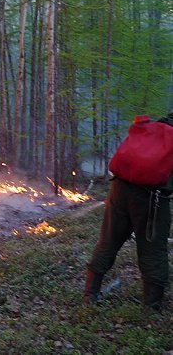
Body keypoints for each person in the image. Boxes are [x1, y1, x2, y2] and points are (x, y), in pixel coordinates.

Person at [83, 112, 173, 311]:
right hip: (152, 200)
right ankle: (152, 306)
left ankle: (90, 294)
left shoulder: (150, 129)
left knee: (108, 240)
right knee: (153, 249)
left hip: (119, 190)